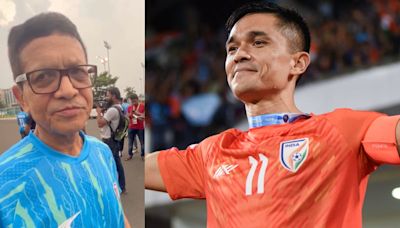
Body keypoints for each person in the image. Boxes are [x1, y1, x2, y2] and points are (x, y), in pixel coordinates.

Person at [145, 1, 400, 227]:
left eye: (258, 42)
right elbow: (123, 166)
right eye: (232, 49)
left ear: (298, 63)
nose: (239, 55)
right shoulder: (212, 153)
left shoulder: (342, 131)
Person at [0, 12, 131, 227]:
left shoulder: (102, 152)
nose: (68, 90)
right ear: (21, 97)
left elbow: (118, 216)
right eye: (44, 76)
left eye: (78, 72)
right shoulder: (6, 186)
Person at [97, 87, 127, 193]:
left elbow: (100, 123)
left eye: (108, 95)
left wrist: (98, 113)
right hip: (115, 138)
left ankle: (118, 186)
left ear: (114, 96)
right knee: (116, 162)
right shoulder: (120, 107)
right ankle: (121, 186)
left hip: (109, 139)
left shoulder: (112, 110)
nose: (106, 97)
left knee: (112, 163)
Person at [126, 93, 145, 160]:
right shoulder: (129, 107)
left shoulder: (143, 106)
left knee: (142, 143)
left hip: (140, 128)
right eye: (132, 101)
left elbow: (144, 116)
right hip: (131, 127)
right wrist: (130, 114)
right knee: (130, 142)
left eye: (134, 101)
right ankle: (130, 155)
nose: (133, 103)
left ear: (137, 100)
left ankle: (143, 155)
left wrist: (137, 113)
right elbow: (128, 116)